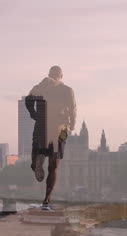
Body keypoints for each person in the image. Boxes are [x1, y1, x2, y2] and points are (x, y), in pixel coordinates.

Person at [25, 66, 76, 210]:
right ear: (62, 76)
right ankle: (47, 200)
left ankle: (37, 162)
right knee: (53, 166)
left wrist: (33, 114)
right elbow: (73, 109)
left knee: (37, 152)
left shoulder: (40, 87)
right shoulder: (67, 90)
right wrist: (72, 125)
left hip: (42, 124)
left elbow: (28, 100)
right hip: (60, 129)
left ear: (49, 75)